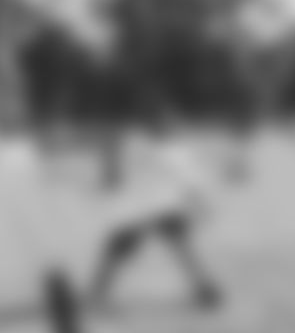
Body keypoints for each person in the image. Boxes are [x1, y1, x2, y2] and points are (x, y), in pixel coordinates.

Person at [84, 123, 223, 312]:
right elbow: (190, 181)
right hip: (162, 207)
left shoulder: (143, 146)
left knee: (120, 249)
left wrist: (199, 203)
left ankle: (97, 296)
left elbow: (113, 177)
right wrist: (200, 203)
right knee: (181, 248)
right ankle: (204, 289)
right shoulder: (165, 148)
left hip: (146, 209)